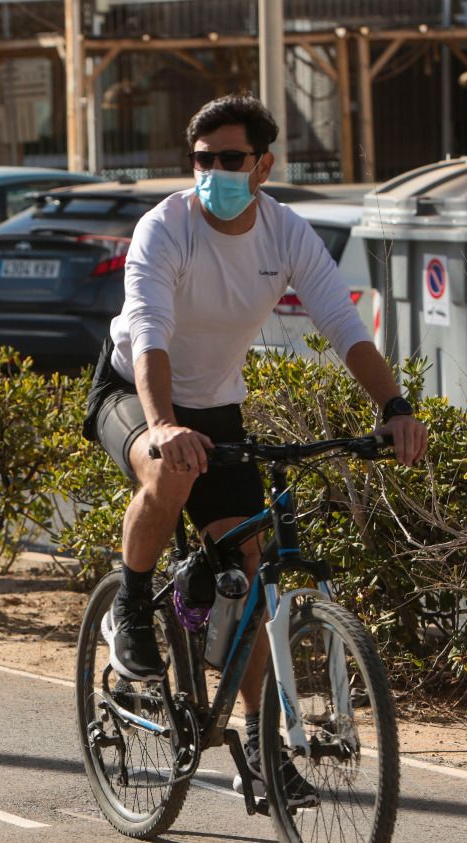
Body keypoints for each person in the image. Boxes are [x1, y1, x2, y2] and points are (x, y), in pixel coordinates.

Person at [84, 94, 428, 802]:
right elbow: (148, 333)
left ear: (264, 164)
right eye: (202, 159)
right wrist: (161, 424)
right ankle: (134, 604)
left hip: (218, 406)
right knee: (168, 474)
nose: (214, 171)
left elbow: (343, 323)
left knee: (248, 561)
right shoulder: (165, 228)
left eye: (230, 159)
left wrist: (394, 408)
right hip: (132, 391)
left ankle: (264, 749)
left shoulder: (285, 233)